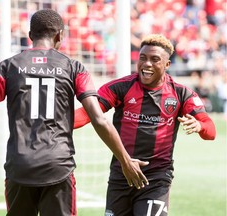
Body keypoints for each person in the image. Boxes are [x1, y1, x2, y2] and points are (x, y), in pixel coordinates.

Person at [0, 9, 149, 216]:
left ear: (30, 36)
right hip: (58, 166)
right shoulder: (74, 67)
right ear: (60, 36)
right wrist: (126, 161)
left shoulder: (7, 67)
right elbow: (98, 119)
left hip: (19, 167)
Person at [74, 34, 216, 216]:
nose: (147, 64)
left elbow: (210, 131)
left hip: (156, 178)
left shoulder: (181, 94)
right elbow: (87, 114)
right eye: (143, 58)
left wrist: (200, 125)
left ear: (167, 65)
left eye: (154, 59)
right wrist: (54, 123)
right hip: (122, 173)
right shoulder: (120, 87)